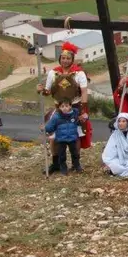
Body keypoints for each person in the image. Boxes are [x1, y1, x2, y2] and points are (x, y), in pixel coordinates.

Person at [37, 41, 91, 173]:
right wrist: (41, 90)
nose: (65, 60)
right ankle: (56, 163)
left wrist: (83, 111)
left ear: (72, 59)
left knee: (76, 136)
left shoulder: (79, 74)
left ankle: (76, 163)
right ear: (60, 58)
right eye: (63, 58)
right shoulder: (53, 73)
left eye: (68, 58)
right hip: (59, 109)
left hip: (75, 108)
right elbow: (48, 91)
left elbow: (84, 92)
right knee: (54, 136)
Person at [44, 100, 83, 175]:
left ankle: (77, 166)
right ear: (59, 107)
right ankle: (63, 168)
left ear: (70, 106)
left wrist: (84, 118)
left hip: (72, 138)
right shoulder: (56, 117)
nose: (65, 108)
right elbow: (50, 127)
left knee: (74, 153)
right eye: (62, 106)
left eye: (66, 106)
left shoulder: (75, 114)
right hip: (61, 139)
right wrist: (45, 128)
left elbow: (80, 121)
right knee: (62, 155)